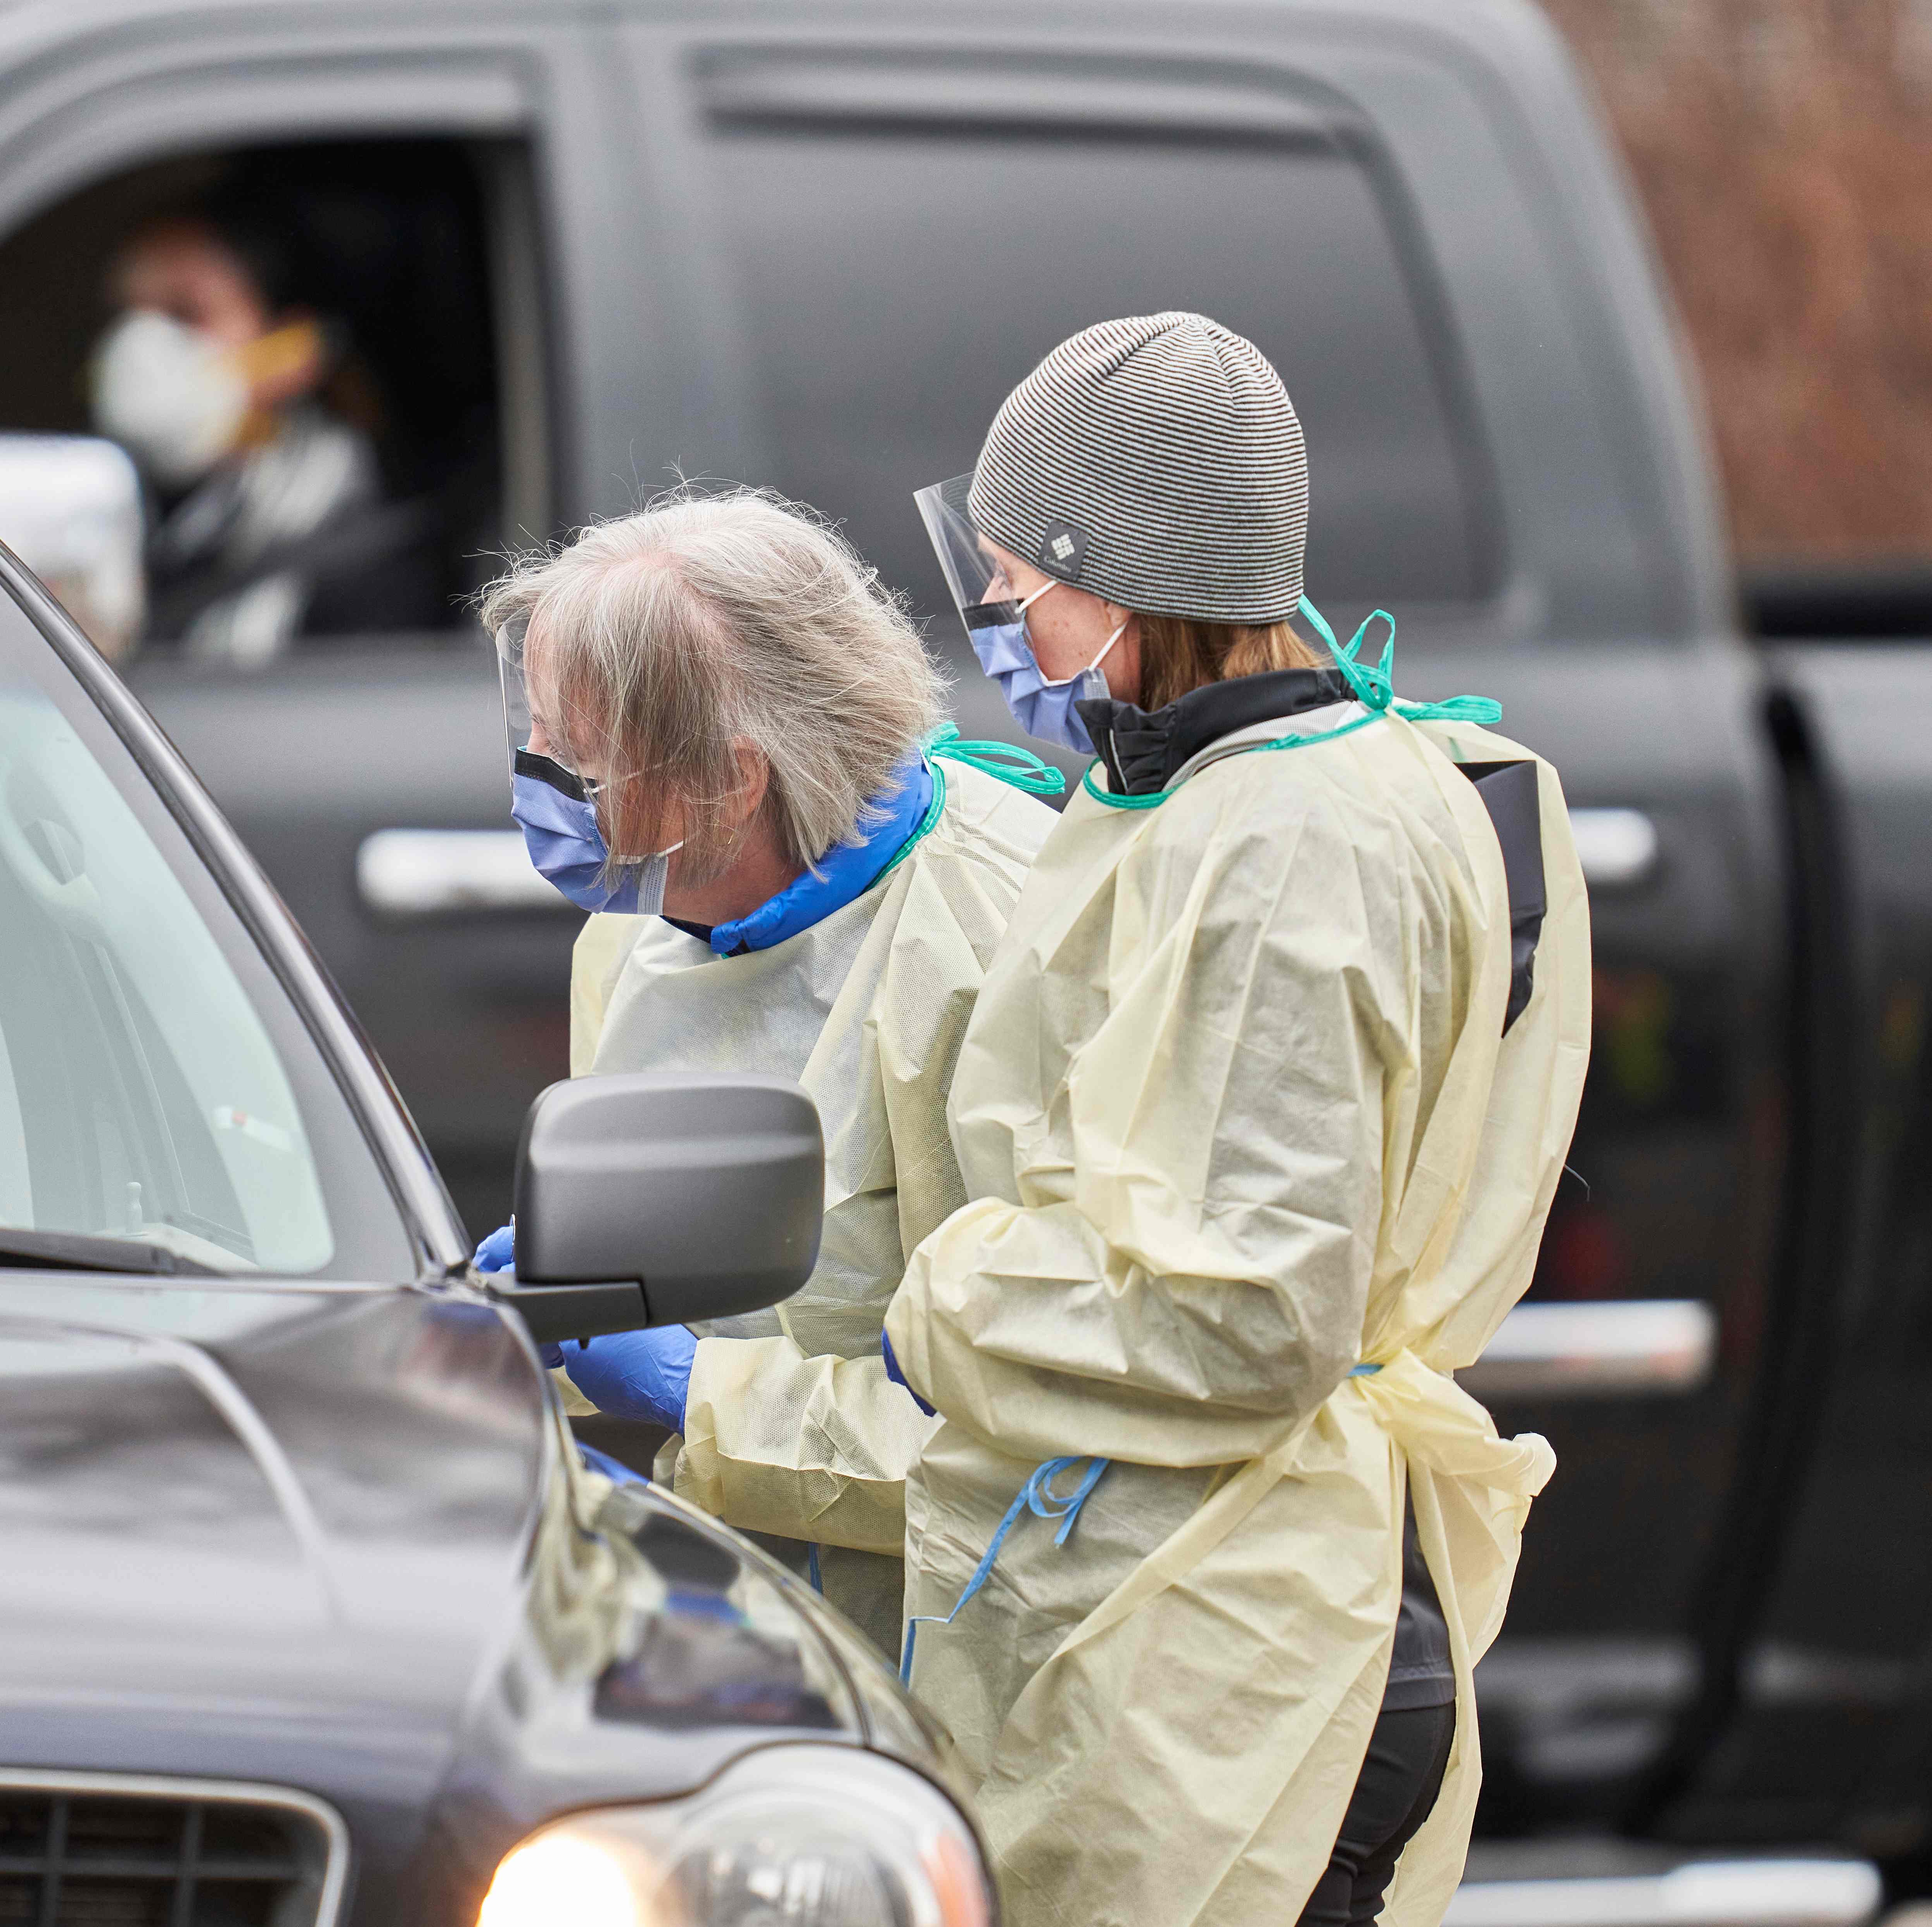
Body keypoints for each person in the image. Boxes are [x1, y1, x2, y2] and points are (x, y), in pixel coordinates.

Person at [884, 314, 1592, 1927]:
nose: (993, 614)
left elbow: (1252, 1311)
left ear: (1121, 572)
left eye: (1016, 576)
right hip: (1205, 1607)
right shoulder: (1238, 789)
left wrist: (947, 1306)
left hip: (1241, 1647)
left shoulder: (1290, 839)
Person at [472, 490, 1063, 1656]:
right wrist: (565, 1301)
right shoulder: (647, 918)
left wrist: (697, 1392)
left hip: (992, 1643)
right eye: (534, 741)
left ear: (734, 780)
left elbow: (1037, 1453)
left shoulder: (1004, 948)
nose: (541, 790)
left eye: (579, 763)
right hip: (749, 1616)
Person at [86, 178, 434, 666]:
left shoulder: (369, 563)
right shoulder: (138, 533)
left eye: (186, 313)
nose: (143, 350)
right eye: (128, 316)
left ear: (292, 345)